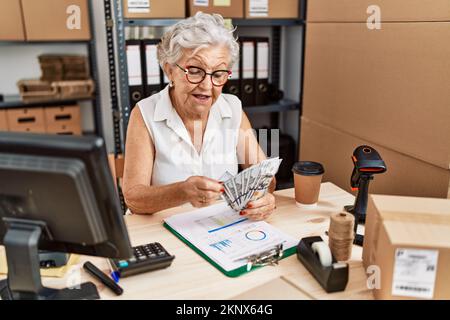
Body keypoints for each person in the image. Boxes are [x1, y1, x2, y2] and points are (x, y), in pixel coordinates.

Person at [122, 12, 276, 221]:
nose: (206, 85)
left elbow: (265, 178)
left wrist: (264, 199)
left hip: (218, 227)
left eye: (218, 74)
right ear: (169, 70)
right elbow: (133, 199)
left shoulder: (232, 108)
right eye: (194, 71)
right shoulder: (145, 113)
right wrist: (182, 192)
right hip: (162, 230)